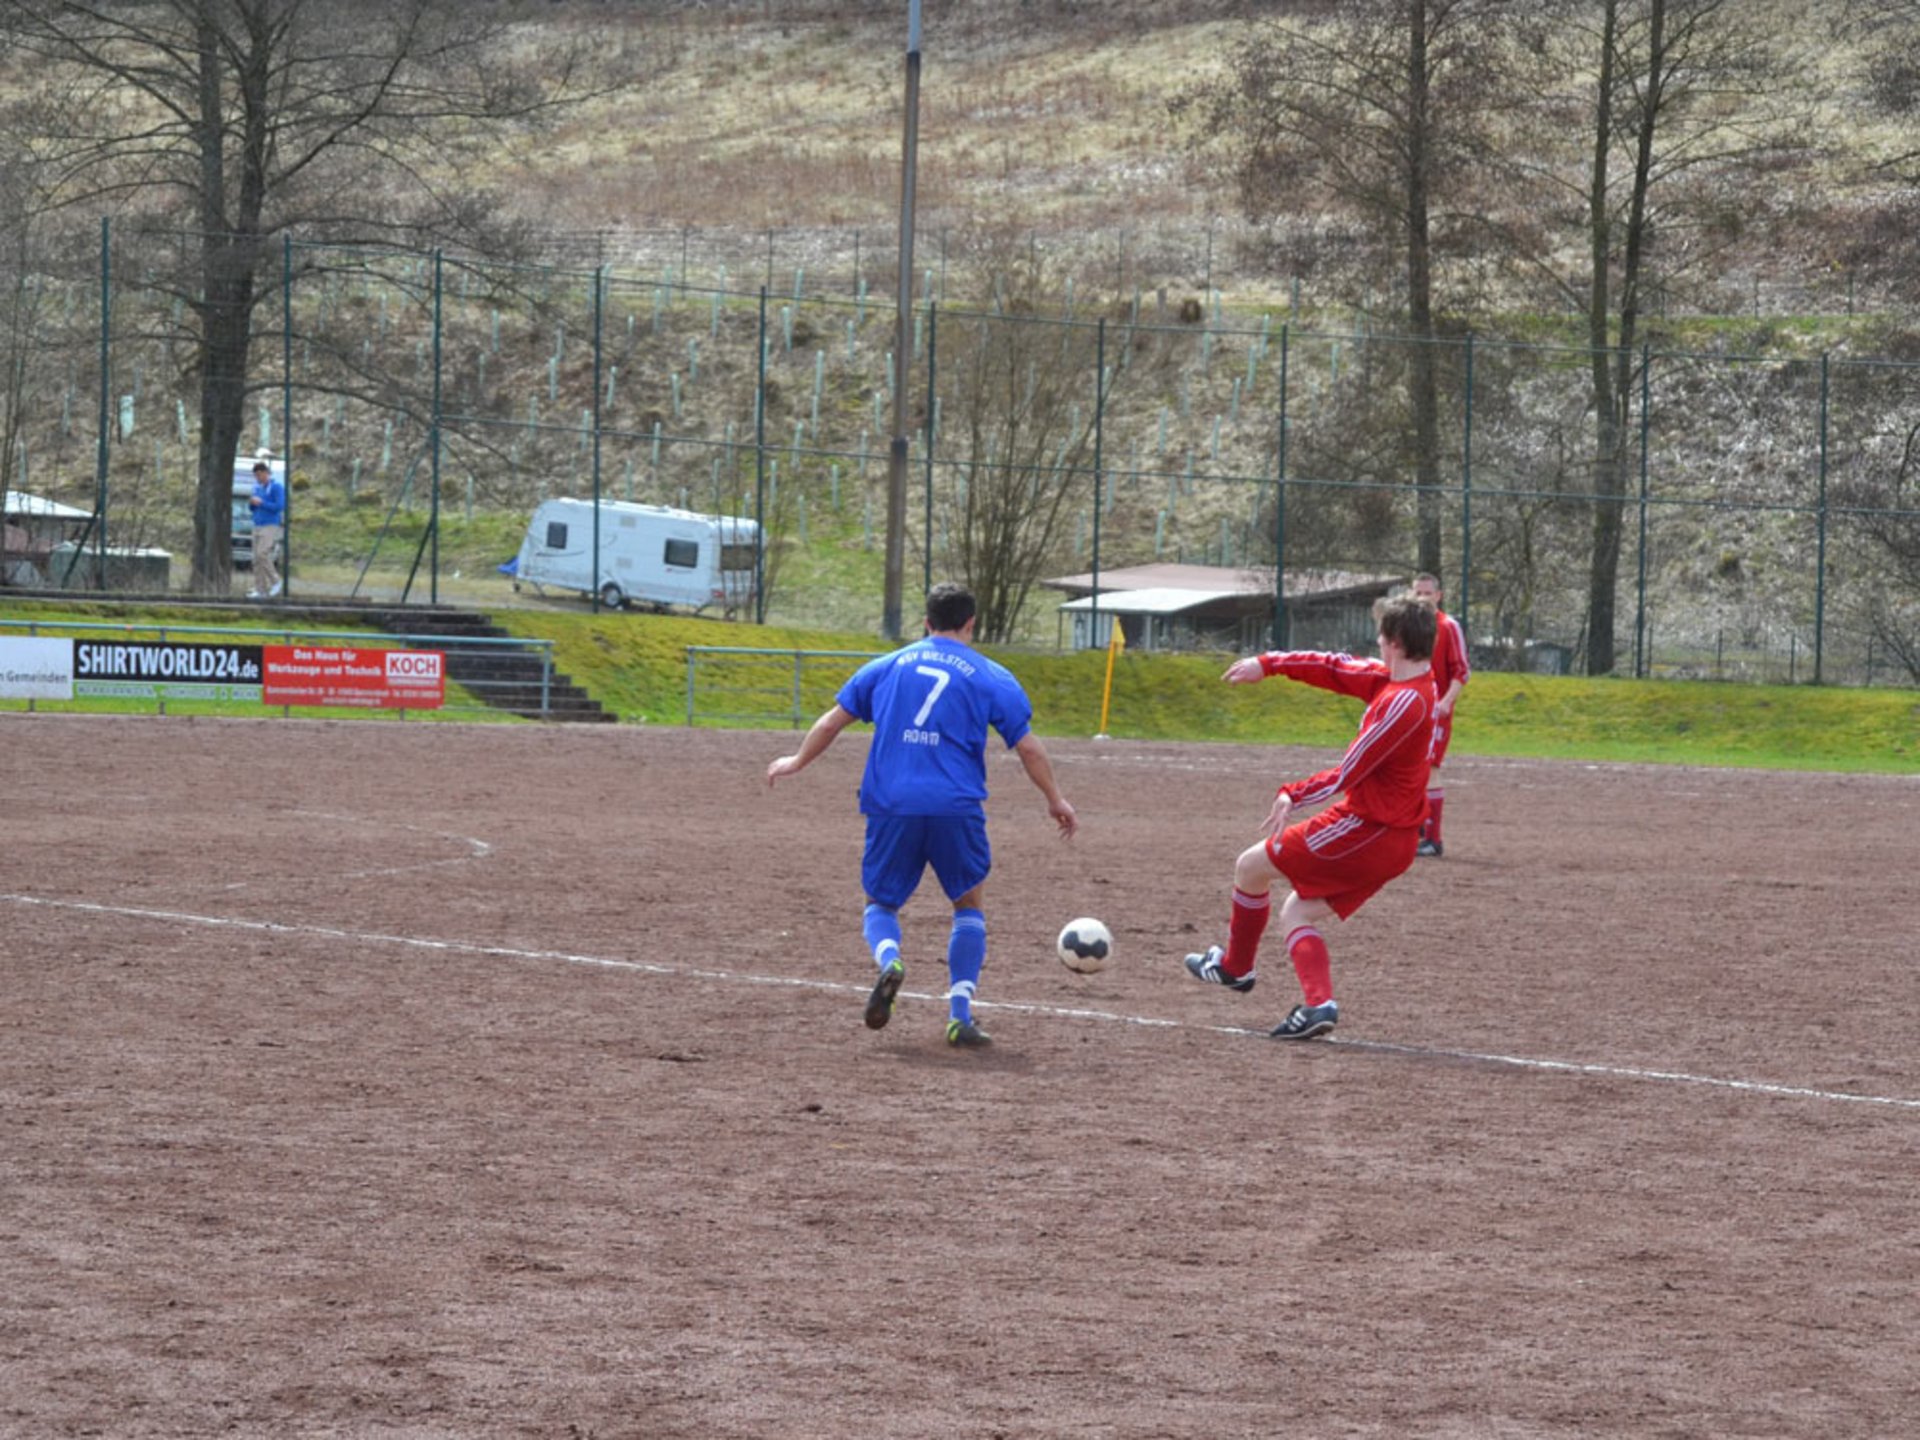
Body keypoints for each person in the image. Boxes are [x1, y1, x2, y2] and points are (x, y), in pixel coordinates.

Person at [766, 582, 1078, 1047]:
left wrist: (796, 761)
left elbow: (832, 720)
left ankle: (890, 958)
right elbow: (1028, 746)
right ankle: (960, 1015)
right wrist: (1055, 798)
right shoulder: (992, 675)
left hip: (893, 805)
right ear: (971, 624)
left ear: (925, 623)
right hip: (956, 807)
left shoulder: (888, 665)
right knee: (968, 906)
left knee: (881, 904)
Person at [1182, 596, 1436, 1040]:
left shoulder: (1402, 704)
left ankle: (1235, 968)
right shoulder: (1399, 683)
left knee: (1250, 866)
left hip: (1367, 831)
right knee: (1296, 911)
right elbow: (1333, 667)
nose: (1376, 642)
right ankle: (1319, 1005)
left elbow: (1351, 770)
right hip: (1391, 839)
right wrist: (1269, 663)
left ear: (1394, 642)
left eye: (1381, 635)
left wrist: (1292, 794)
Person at [1410, 571, 1469, 857]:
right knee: (1411, 768)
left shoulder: (1447, 627)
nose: (1422, 598)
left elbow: (1461, 671)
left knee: (1430, 767)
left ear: (1438, 596)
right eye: (1417, 593)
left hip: (1436, 711)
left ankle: (1433, 839)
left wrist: (1446, 702)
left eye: (1427, 593)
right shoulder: (1409, 626)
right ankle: (1417, 829)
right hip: (1411, 709)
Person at [247, 457, 286, 599]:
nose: (257, 478)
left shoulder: (276, 487)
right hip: (257, 524)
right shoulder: (257, 488)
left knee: (262, 553)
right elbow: (252, 507)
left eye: (259, 475)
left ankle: (276, 580)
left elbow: (279, 506)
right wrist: (252, 503)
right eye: (255, 476)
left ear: (265, 473)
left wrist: (262, 502)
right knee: (255, 558)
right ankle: (260, 589)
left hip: (270, 525)